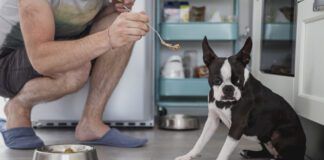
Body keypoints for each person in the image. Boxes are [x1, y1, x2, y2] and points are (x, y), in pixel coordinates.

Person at [0, 0, 150, 149]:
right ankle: (18, 107)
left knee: (121, 22)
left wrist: (111, 9)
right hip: (7, 61)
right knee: (75, 69)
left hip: (52, 46)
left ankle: (90, 123)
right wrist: (109, 37)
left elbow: (79, 21)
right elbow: (41, 59)